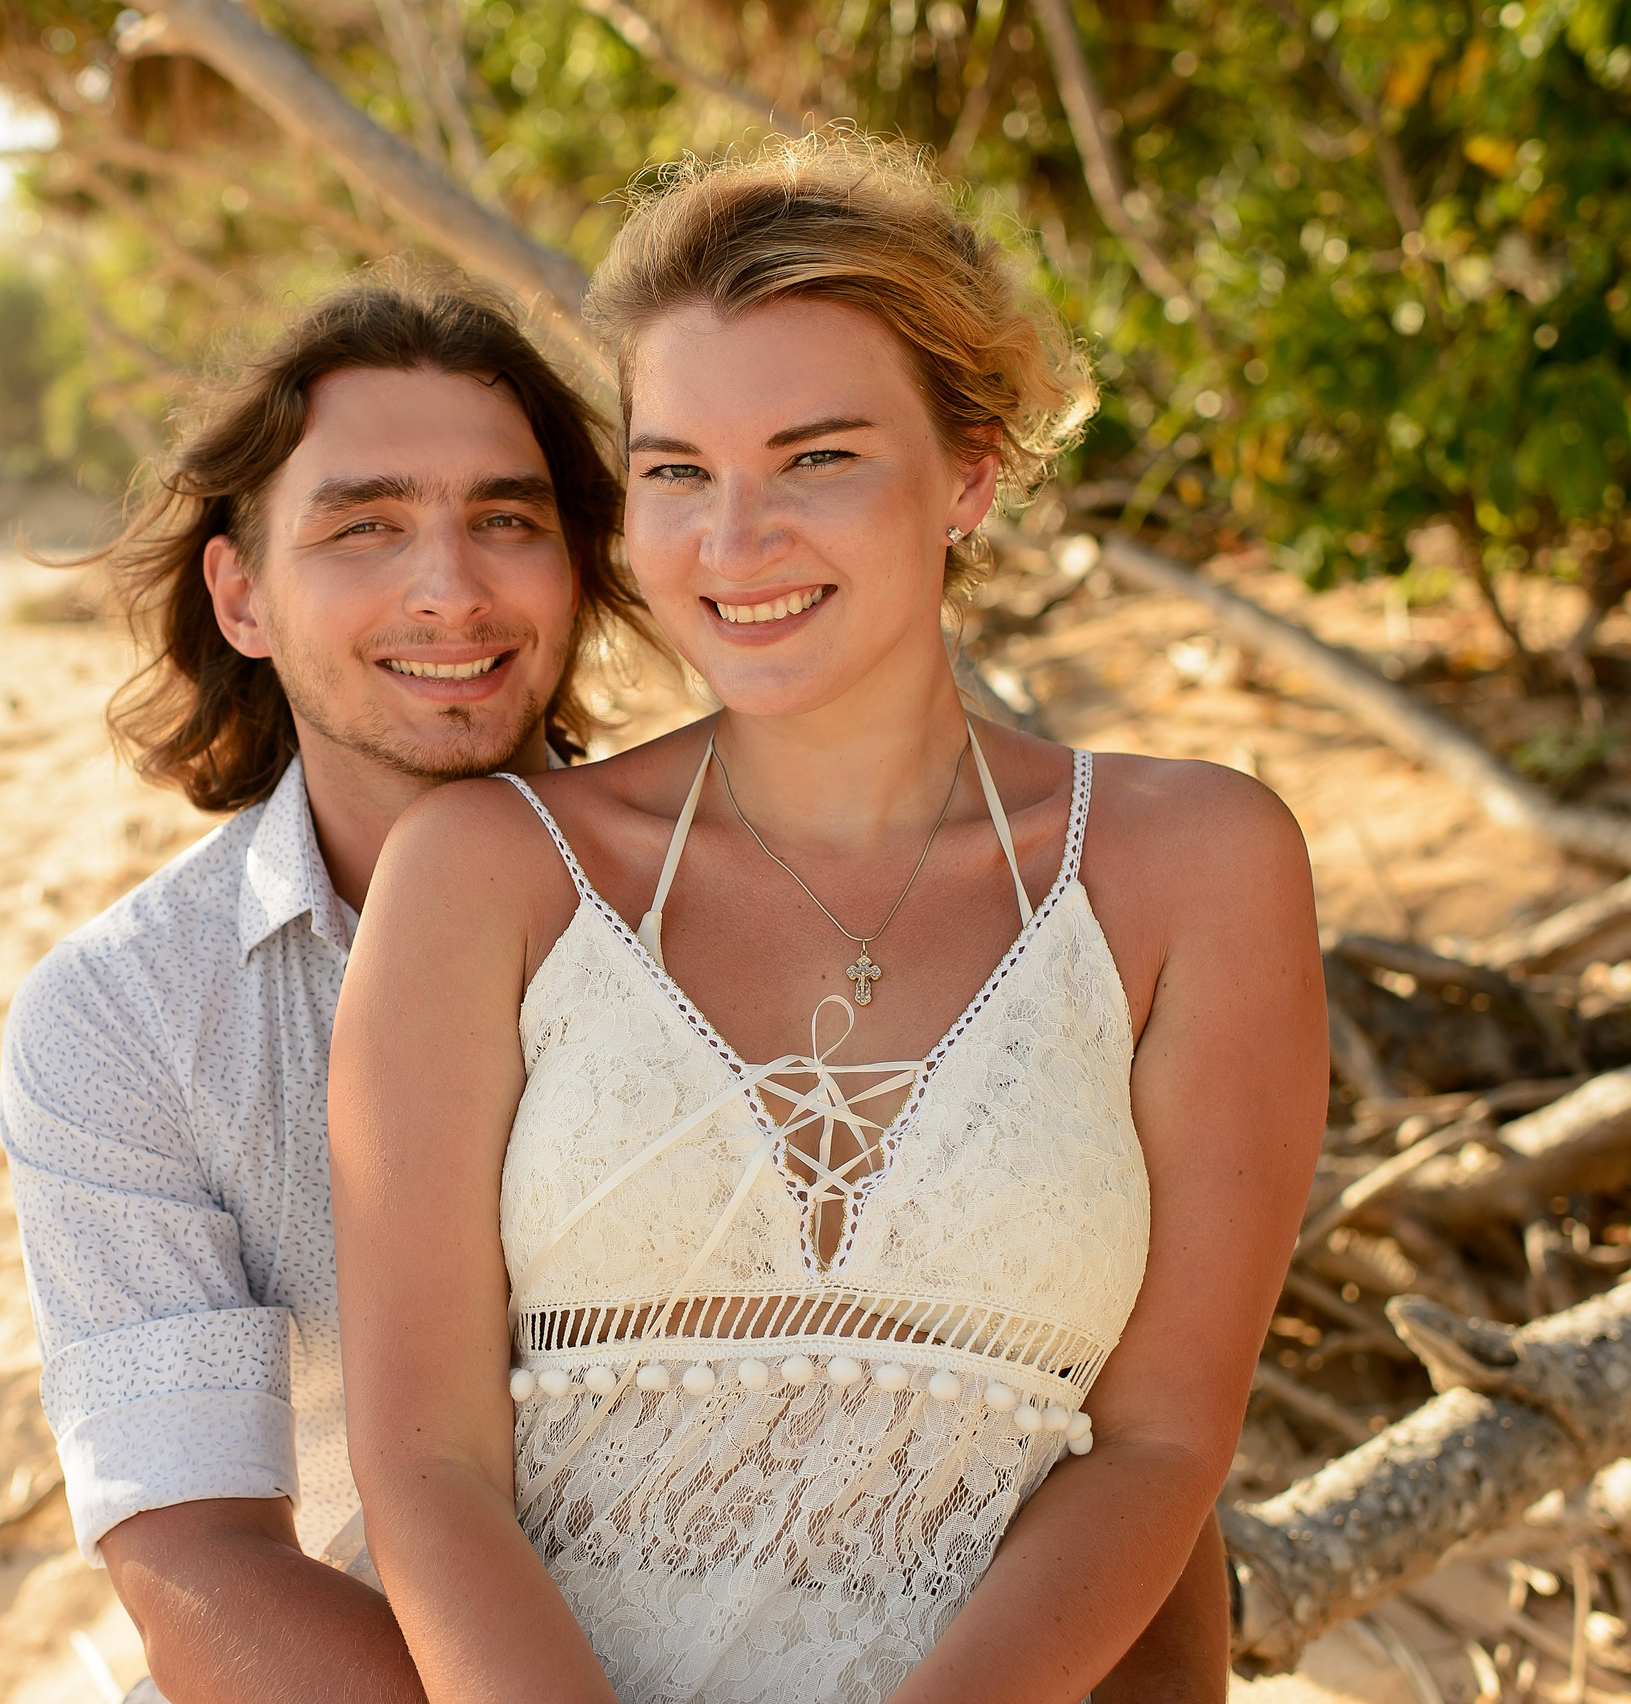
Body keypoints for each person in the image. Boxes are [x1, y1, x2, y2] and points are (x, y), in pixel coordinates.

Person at [2, 273, 1238, 1703]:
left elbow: (1101, 1424)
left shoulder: (759, 893)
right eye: (364, 526)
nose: (451, 587)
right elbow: (201, 1570)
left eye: (510, 521)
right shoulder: (128, 1019)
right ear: (242, 594)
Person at [329, 138, 1328, 1704]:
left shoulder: (1195, 865)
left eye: (818, 458)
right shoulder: (487, 875)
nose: (734, 543)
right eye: (677, 472)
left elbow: (1157, 1442)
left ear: (973, 472)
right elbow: (425, 1455)